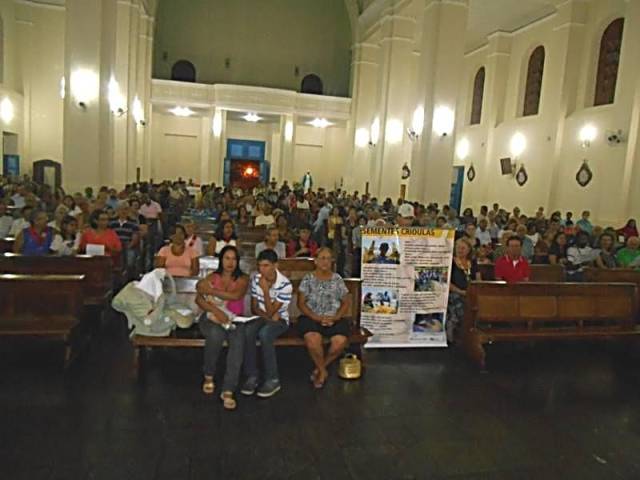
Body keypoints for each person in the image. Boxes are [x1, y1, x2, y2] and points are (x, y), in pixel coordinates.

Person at [196, 245, 250, 410]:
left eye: (234, 259)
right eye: (227, 258)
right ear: (221, 260)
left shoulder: (243, 278)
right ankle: (209, 375)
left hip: (236, 319)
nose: (230, 262)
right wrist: (216, 310)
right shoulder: (213, 276)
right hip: (212, 317)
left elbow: (236, 295)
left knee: (238, 343)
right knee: (215, 335)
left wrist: (212, 291)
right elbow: (199, 298)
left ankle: (228, 389)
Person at [241, 249, 293, 398]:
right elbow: (255, 308)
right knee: (248, 331)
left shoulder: (285, 284)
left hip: (281, 320)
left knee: (265, 334)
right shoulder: (256, 279)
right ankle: (252, 375)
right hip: (264, 317)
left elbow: (273, 312)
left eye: (266, 265)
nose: (262, 270)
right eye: (260, 266)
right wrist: (268, 318)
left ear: (275, 265)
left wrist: (265, 291)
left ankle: (273, 379)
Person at [297, 248, 351, 388]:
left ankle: (319, 368)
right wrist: (316, 317)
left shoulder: (337, 279)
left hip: (334, 318)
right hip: (311, 317)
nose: (325, 261)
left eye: (328, 258)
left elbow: (346, 302)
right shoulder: (308, 279)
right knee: (313, 339)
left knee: (340, 342)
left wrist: (336, 317)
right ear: (315, 261)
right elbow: (301, 304)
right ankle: (322, 371)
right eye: (322, 258)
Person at [447, 238, 481, 342]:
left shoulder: (473, 263)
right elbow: (447, 282)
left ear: (469, 250)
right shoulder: (450, 262)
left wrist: (474, 291)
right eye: (458, 247)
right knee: (459, 301)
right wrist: (460, 291)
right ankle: (456, 330)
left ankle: (471, 333)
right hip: (455, 292)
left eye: (463, 248)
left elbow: (479, 280)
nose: (460, 250)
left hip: (471, 293)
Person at [110, 202, 140, 274]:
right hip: (115, 245)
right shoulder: (112, 222)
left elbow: (135, 237)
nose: (123, 211)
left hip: (128, 244)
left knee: (130, 262)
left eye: (125, 209)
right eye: (121, 209)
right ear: (117, 210)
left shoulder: (133, 222)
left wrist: (129, 245)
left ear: (128, 210)